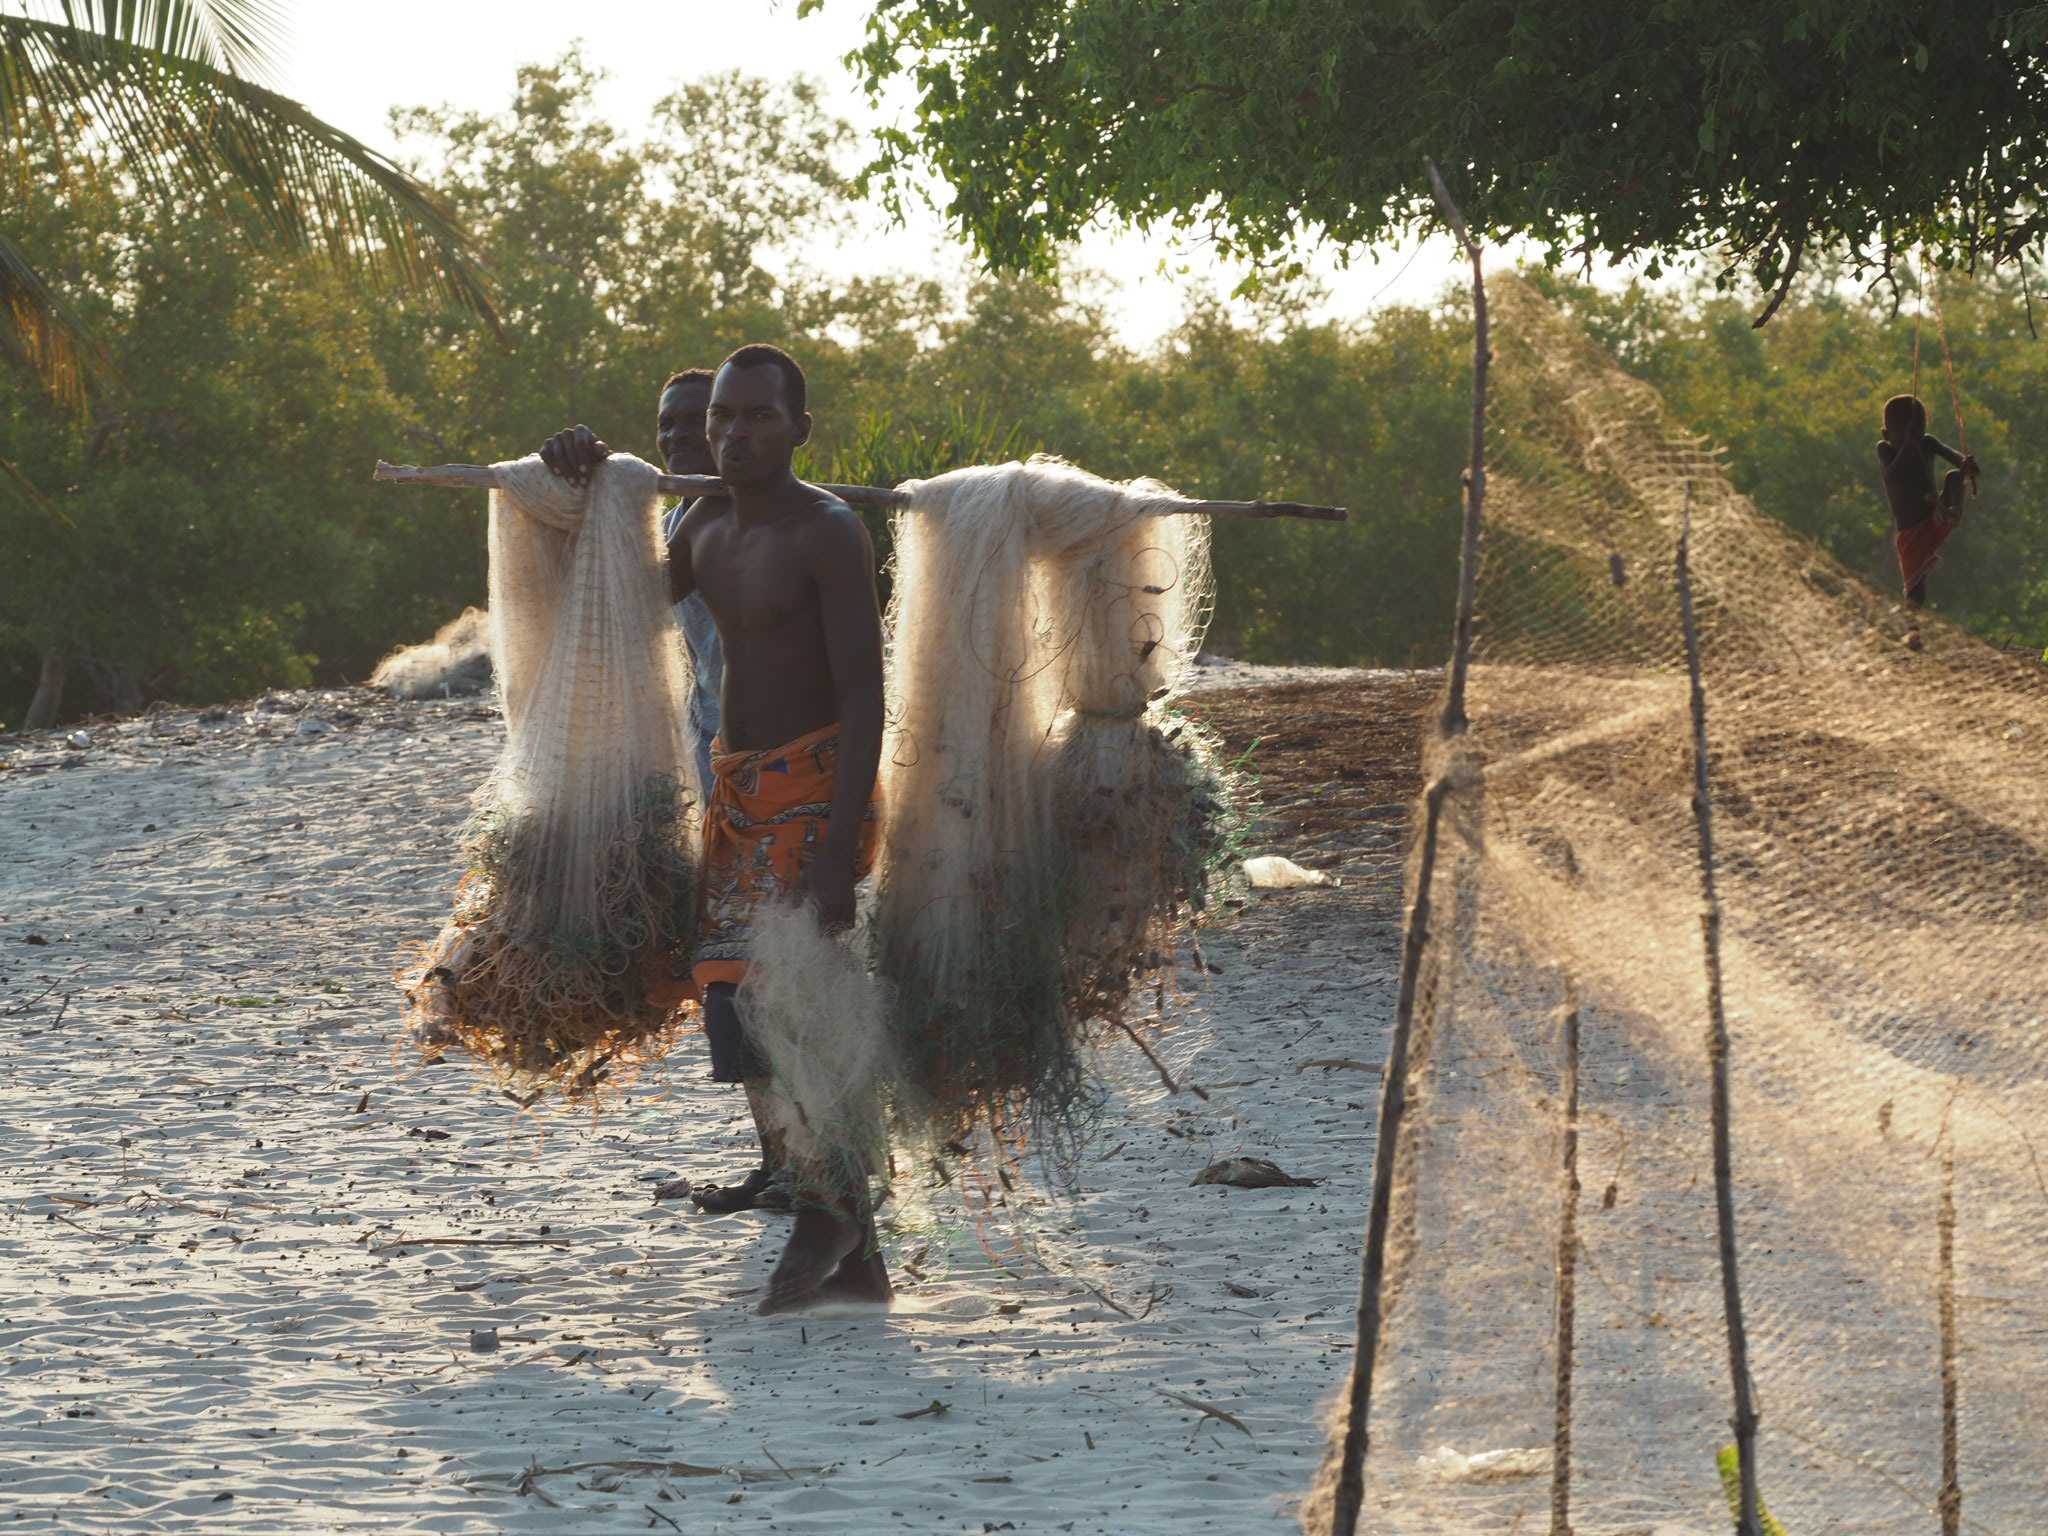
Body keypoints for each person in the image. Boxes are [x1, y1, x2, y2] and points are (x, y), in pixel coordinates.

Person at [544, 344, 891, 1313]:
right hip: (739, 798)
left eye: (757, 419)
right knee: (736, 1004)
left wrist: (833, 853)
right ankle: (855, 1253)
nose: (734, 437)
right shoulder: (701, 529)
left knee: (782, 1009)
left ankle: (831, 1212)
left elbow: (866, 697)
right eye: (722, 422)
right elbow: (614, 606)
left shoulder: (826, 533)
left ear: (799, 428)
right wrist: (579, 488)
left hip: (817, 794)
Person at [1877, 393, 1980, 643]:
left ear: (1923, 430)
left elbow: (1956, 459)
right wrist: (1909, 447)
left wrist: (1969, 466)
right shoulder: (1885, 450)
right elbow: (1893, 475)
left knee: (1955, 477)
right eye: (1902, 435)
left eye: (1917, 433)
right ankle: (1913, 634)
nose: (1911, 439)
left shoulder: (1928, 443)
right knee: (1916, 588)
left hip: (1937, 514)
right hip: (1911, 530)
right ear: (1886, 434)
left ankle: (1953, 514)